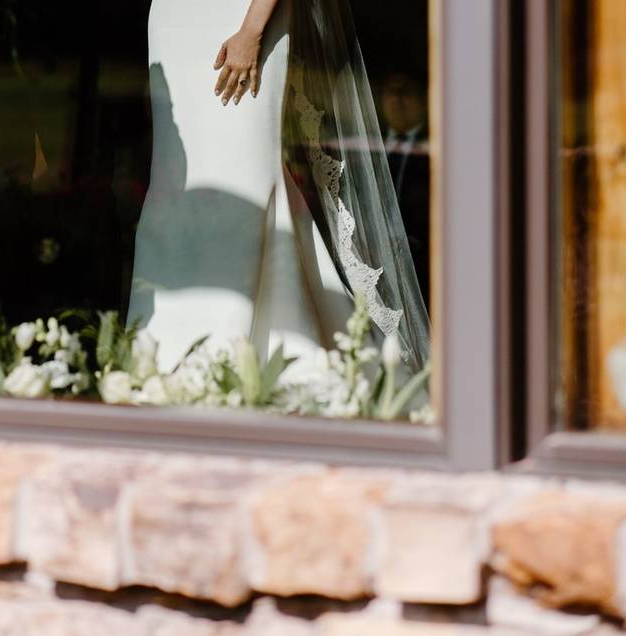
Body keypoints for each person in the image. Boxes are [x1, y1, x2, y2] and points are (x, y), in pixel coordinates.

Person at [127, 0, 431, 376]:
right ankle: (168, 350)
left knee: (246, 175)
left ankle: (242, 353)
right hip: (176, 19)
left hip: (243, 18)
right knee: (179, 186)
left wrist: (252, 30)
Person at [380, 72, 431, 308]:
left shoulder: (437, 147)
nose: (397, 99)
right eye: (392, 91)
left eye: (406, 92)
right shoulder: (364, 144)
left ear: (423, 99)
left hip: (424, 267)